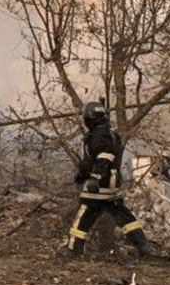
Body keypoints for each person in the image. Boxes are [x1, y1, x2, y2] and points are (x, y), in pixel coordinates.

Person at [62, 100, 156, 257]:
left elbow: (103, 157)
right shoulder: (110, 133)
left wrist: (92, 177)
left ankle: (73, 250)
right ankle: (143, 246)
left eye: (86, 118)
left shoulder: (98, 135)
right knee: (125, 217)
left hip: (98, 186)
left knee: (83, 216)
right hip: (112, 184)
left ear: (90, 119)